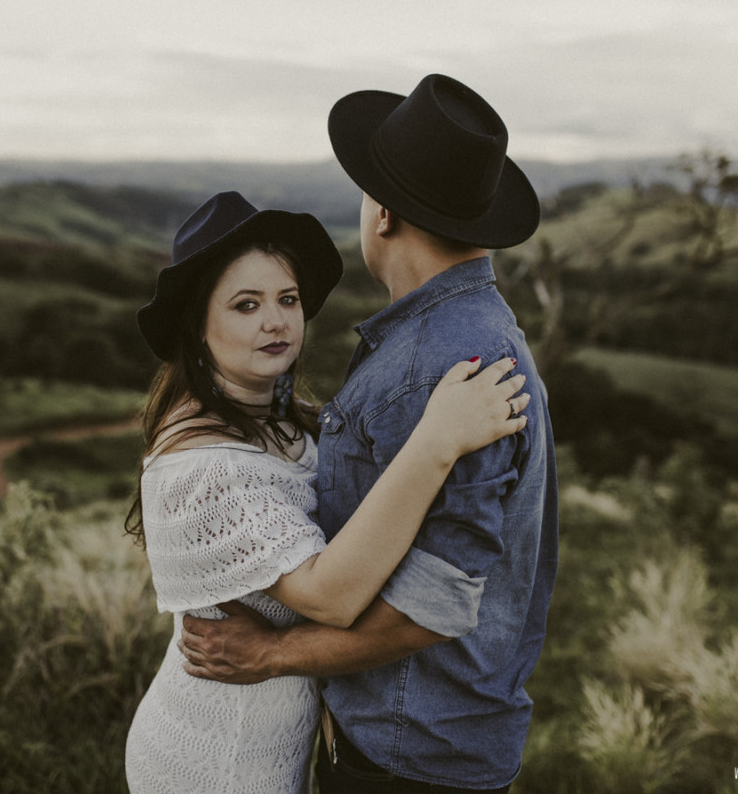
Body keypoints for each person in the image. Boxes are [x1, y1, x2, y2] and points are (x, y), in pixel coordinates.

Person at [179, 74, 560, 793]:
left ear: (382, 214)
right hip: (433, 737)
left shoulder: (443, 365)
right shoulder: (477, 337)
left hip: (410, 752)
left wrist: (270, 656)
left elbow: (433, 606)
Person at [124, 189, 530, 794]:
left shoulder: (283, 418)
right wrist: (437, 440)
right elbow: (330, 596)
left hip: (277, 747)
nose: (276, 321)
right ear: (198, 327)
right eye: (244, 305)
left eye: (287, 299)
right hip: (218, 758)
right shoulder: (206, 467)